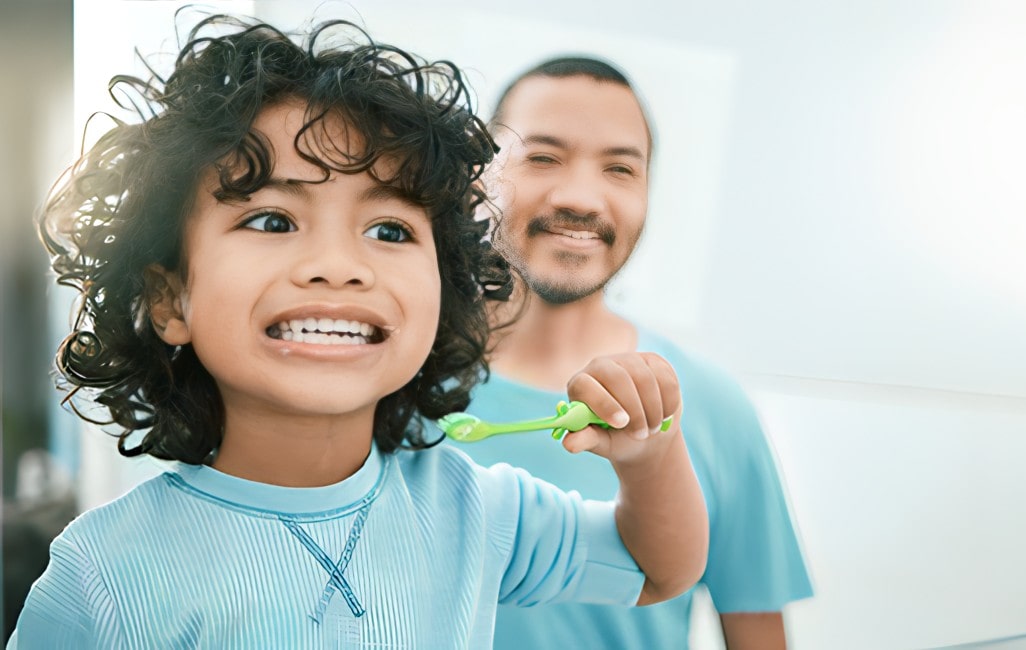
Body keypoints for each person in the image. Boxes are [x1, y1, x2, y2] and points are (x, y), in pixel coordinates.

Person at [8, 16, 708, 648]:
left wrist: (647, 459)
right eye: (274, 221)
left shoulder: (474, 510)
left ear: (445, 289)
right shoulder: (101, 574)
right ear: (169, 299)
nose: (339, 268)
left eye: (389, 230)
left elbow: (656, 568)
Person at [446, 57, 813, 649]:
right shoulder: (393, 377)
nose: (582, 198)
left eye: (620, 169)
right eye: (543, 157)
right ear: (480, 177)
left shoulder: (711, 406)